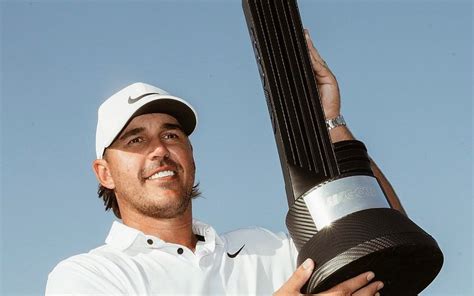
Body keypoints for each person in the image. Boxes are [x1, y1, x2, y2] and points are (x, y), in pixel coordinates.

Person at [46, 30, 405, 295]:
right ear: (104, 173)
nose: (159, 149)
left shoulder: (268, 249)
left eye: (171, 134)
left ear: (190, 154)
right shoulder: (89, 276)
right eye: (136, 140)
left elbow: (384, 240)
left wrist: (329, 122)